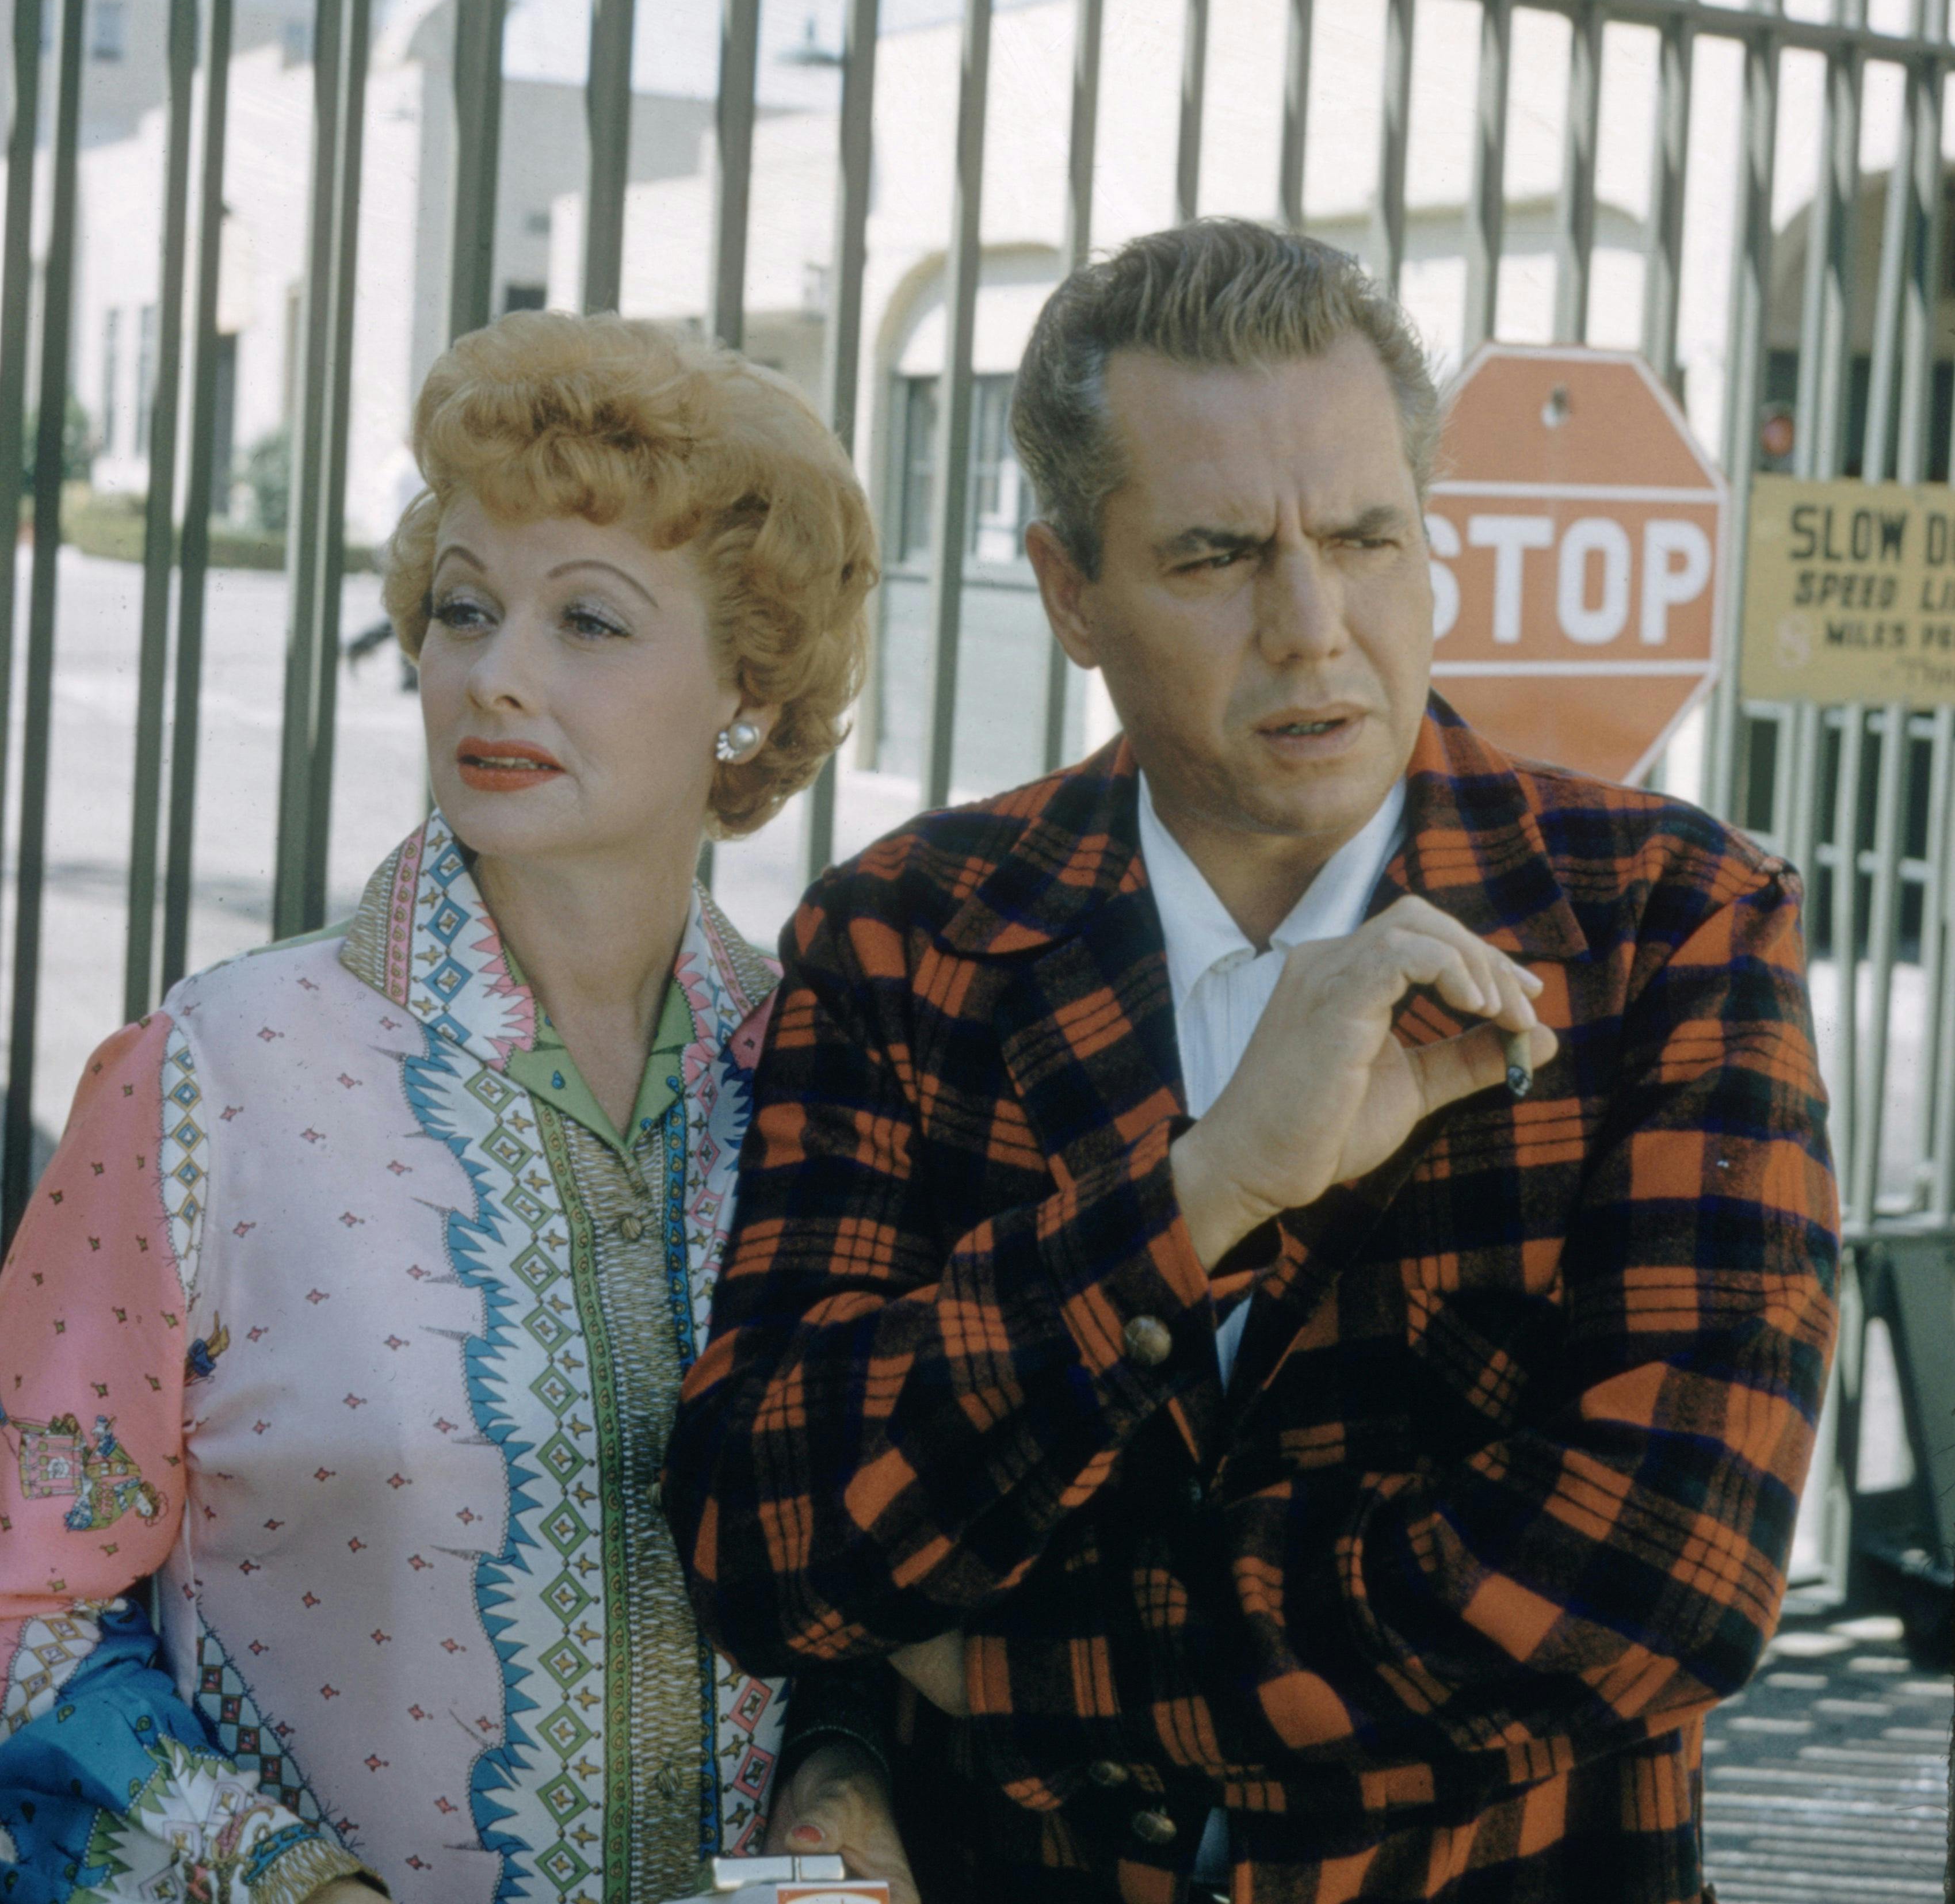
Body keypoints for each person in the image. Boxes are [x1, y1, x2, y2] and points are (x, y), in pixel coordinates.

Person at [666, 220, 1841, 1904]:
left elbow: (1665, 1576)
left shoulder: (1669, 928)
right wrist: (1201, 1194)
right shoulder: (906, 939)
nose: (1314, 628)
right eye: (1219, 555)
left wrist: (1007, 1673)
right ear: (1070, 587)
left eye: (1368, 538)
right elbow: (768, 1538)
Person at [0, 311, 912, 1904]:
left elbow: (887, 1562)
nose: (493, 676)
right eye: (464, 608)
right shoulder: (212, 1075)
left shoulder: (828, 1091)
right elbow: (19, 1592)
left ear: (750, 693)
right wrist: (272, 1877)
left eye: (590, 624)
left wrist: (844, 1788)